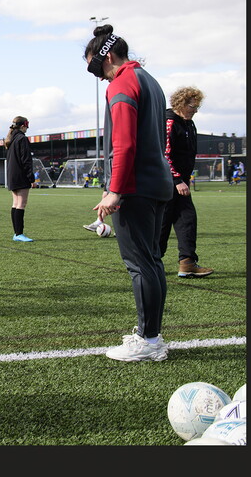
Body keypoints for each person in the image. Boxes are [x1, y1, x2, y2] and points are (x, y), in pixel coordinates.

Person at [85, 23, 173, 362]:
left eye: (96, 66)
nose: (99, 76)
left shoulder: (122, 83)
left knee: (139, 264)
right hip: (157, 183)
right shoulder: (149, 80)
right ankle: (151, 334)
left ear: (107, 57)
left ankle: (149, 341)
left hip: (135, 188)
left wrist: (115, 191)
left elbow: (123, 143)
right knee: (152, 262)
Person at [160, 86, 214, 278]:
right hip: (167, 183)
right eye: (192, 106)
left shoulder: (189, 123)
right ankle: (150, 261)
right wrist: (176, 179)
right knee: (162, 224)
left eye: (197, 107)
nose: (195, 110)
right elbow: (165, 155)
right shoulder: (168, 122)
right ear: (181, 103)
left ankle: (187, 262)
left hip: (181, 183)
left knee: (187, 220)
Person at [4, 115, 35, 242]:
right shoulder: (22, 139)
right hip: (21, 176)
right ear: (23, 125)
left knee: (15, 203)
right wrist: (31, 178)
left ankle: (16, 233)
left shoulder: (11, 139)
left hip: (12, 176)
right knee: (21, 204)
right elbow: (26, 160)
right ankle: (19, 234)